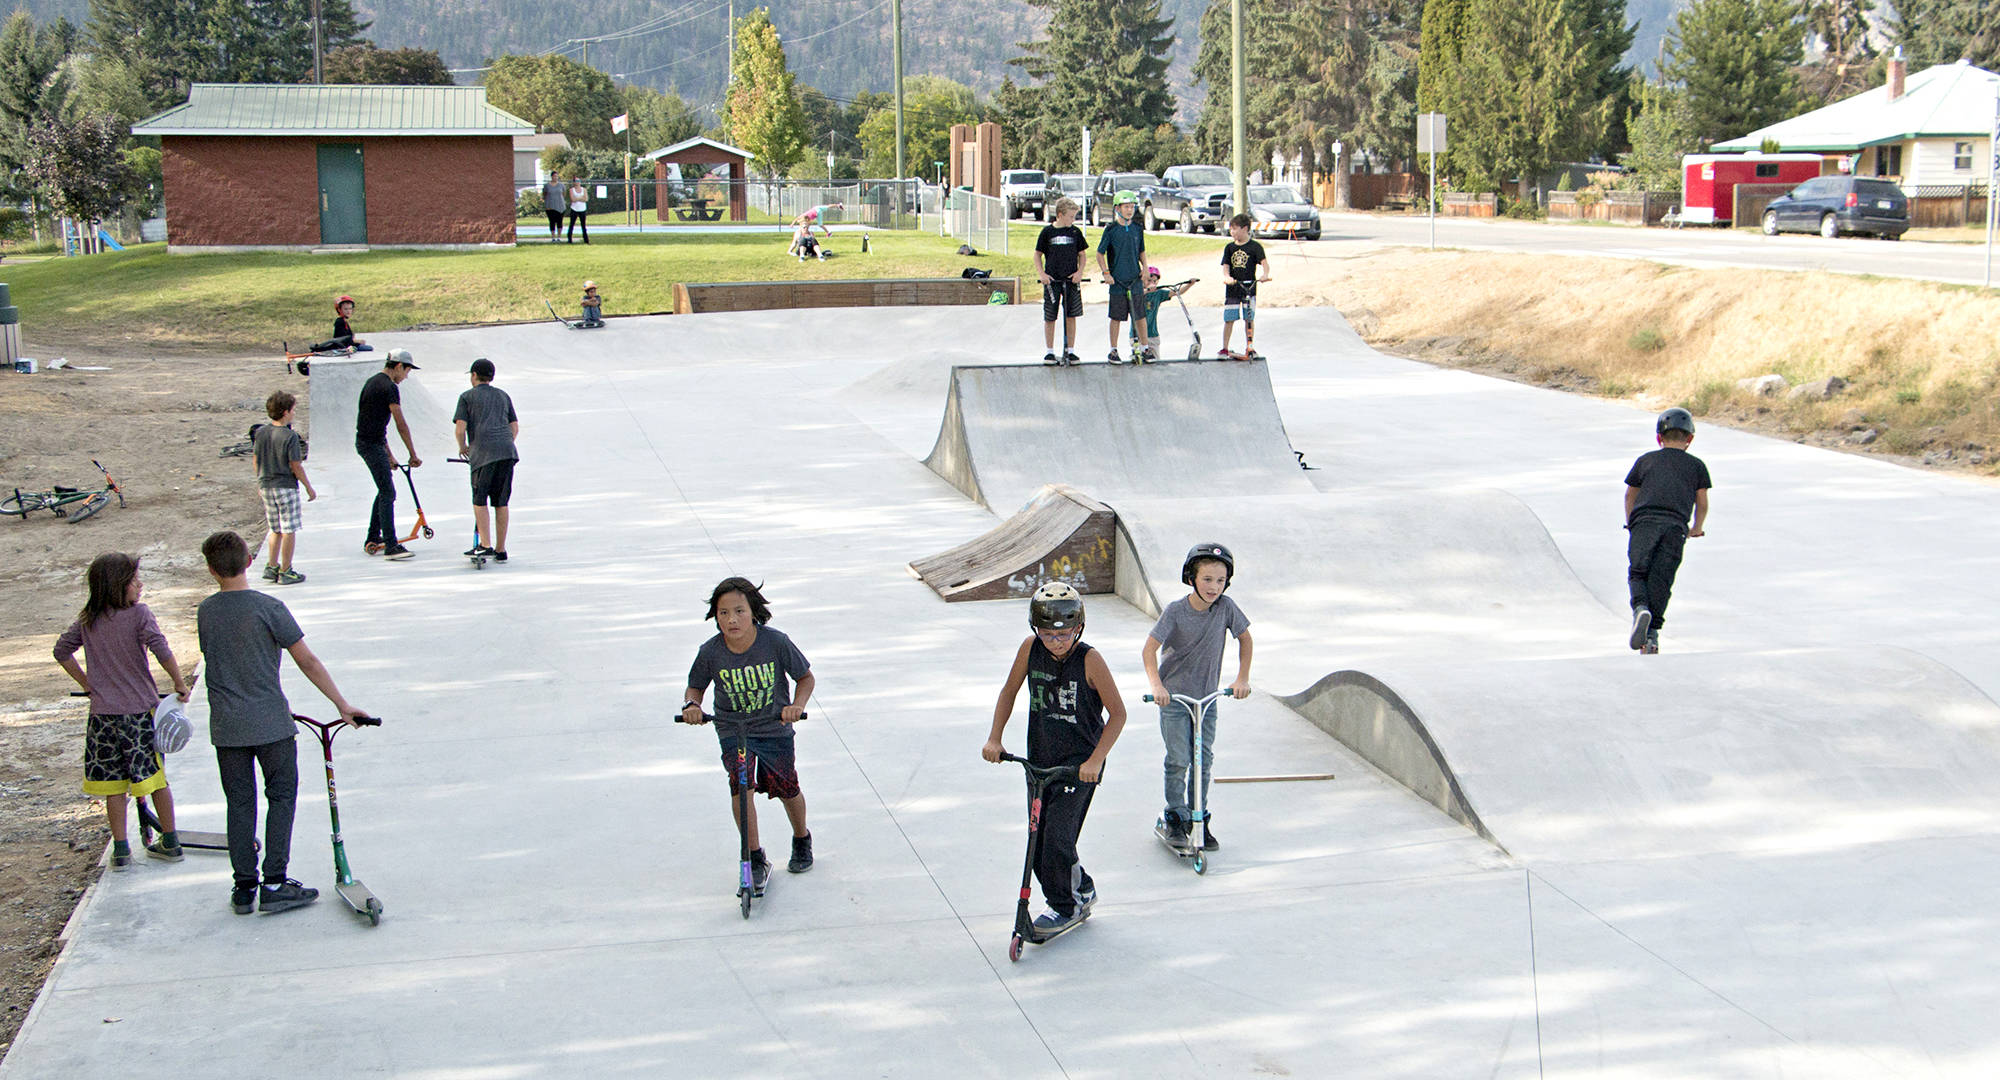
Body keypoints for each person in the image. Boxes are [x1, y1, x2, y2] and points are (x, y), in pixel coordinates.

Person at [197, 530, 365, 915]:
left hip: (227, 727)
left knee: (239, 803)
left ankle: (243, 888)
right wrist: (341, 704)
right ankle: (274, 882)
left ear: (211, 570)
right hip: (271, 723)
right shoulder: (270, 608)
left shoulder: (206, 612)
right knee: (281, 796)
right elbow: (307, 660)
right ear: (250, 561)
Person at [981, 582, 1126, 937]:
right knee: (1039, 842)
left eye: (1065, 634)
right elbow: (1009, 691)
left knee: (1057, 841)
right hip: (1041, 763)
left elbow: (1118, 714)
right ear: (1036, 631)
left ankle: (1066, 905)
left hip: (1080, 766)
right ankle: (1082, 886)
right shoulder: (1031, 650)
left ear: (1079, 628)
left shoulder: (1089, 660)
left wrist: (1095, 761)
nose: (1057, 642)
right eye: (1048, 634)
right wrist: (995, 737)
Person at [53, 553, 191, 870]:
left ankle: (121, 850)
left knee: (112, 786)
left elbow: (61, 651)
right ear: (118, 586)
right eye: (134, 580)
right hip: (139, 713)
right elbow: (162, 650)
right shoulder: (140, 614)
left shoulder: (89, 619)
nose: (139, 585)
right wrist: (179, 682)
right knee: (155, 779)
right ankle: (169, 841)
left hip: (102, 717)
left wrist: (88, 685)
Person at [683, 578, 817, 887]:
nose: (731, 620)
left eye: (739, 611)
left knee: (787, 787)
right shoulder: (710, 652)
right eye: (723, 613)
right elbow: (695, 686)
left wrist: (796, 705)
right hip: (733, 730)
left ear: (753, 612)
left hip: (774, 727)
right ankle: (753, 855)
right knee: (741, 788)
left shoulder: (776, 642)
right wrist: (692, 705)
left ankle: (801, 837)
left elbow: (805, 678)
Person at [1141, 543, 1252, 850]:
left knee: (1202, 760)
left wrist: (1242, 678)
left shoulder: (1226, 608)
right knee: (1179, 760)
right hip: (1175, 702)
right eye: (1207, 579)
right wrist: (1157, 686)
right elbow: (1149, 649)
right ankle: (1176, 816)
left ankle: (1198, 816)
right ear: (1191, 578)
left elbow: (1245, 639)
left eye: (1220, 580)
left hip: (1208, 700)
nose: (1214, 586)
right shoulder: (1176, 611)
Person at [1624, 408, 1711, 654]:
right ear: (1690, 439)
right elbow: (1701, 502)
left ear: (1658, 437)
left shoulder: (1646, 460)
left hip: (1645, 523)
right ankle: (1651, 636)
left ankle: (1641, 608)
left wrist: (1631, 522)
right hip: (1675, 527)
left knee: (1639, 572)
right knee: (1662, 578)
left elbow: (1631, 494)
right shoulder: (1697, 466)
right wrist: (1697, 527)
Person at [355, 349, 423, 560]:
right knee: (388, 493)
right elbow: (400, 424)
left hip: (370, 442)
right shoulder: (389, 388)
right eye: (407, 371)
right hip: (370, 445)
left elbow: (374, 424)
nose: (406, 377)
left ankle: (373, 537)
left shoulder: (373, 381)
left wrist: (390, 456)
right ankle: (391, 546)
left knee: (384, 489)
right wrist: (412, 453)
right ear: (398, 366)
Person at [453, 358, 519, 563]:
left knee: (479, 500)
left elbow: (460, 428)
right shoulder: (503, 395)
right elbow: (514, 427)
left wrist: (463, 447)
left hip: (483, 455)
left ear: (474, 375)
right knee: (501, 502)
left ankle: (485, 544)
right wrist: (503, 443)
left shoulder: (466, 397)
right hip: (508, 453)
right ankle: (501, 550)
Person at [254, 390, 315, 585]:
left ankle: (271, 566)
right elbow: (295, 465)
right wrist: (308, 487)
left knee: (275, 528)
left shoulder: (261, 432)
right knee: (289, 529)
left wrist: (260, 481)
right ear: (285, 412)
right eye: (293, 410)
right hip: (285, 486)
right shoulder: (290, 437)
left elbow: (256, 460)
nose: (294, 413)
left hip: (266, 486)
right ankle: (286, 569)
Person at [1095, 191, 1147, 364]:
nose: (1129, 210)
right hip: (1118, 281)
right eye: (1126, 207)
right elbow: (1100, 253)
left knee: (1140, 316)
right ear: (1117, 208)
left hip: (1135, 279)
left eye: (1132, 207)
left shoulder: (1137, 228)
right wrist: (1106, 272)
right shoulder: (1111, 230)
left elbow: (1141, 251)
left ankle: (1145, 348)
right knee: (1116, 317)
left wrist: (1145, 268)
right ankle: (1113, 350)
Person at [1034, 197, 1086, 365]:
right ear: (1060, 215)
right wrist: (1042, 274)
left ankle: (1070, 350)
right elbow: (1037, 255)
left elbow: (1082, 255)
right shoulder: (1047, 232)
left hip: (1071, 281)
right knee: (1050, 315)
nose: (1073, 220)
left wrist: (1079, 272)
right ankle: (1050, 351)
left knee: (1071, 315)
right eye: (1070, 217)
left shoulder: (1075, 232)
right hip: (1053, 281)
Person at [1218, 214, 1270, 360]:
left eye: (1234, 229)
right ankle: (1225, 348)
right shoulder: (1230, 247)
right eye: (1231, 229)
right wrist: (1227, 277)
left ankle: (1250, 346)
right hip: (1233, 289)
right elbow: (1226, 266)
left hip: (1249, 287)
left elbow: (1265, 264)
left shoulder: (1255, 247)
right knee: (1229, 318)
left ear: (1245, 229)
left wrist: (1265, 275)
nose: (1232, 232)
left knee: (1249, 318)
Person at [1130, 266, 1195, 362]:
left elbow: (1176, 292)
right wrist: (1147, 290)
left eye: (1155, 281)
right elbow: (1133, 296)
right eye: (1149, 280)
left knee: (1155, 362)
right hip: (1137, 335)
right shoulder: (1137, 292)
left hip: (1153, 335)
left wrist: (1190, 284)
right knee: (1139, 361)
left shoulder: (1158, 294)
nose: (1152, 283)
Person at [542, 176, 566, 241]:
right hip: (550, 206)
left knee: (559, 222)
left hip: (560, 206)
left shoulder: (561, 185)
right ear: (552, 177)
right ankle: (553, 237)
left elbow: (564, 194)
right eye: (554, 176)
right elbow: (544, 194)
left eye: (557, 176)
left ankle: (559, 237)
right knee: (552, 222)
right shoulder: (547, 185)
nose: (556, 177)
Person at [566, 176, 589, 244]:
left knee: (583, 225)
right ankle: (569, 239)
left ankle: (586, 240)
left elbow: (586, 199)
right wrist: (580, 198)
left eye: (579, 181)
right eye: (576, 181)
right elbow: (573, 199)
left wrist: (578, 198)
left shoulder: (584, 189)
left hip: (582, 209)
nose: (578, 182)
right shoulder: (571, 190)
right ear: (574, 182)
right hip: (574, 209)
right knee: (572, 224)